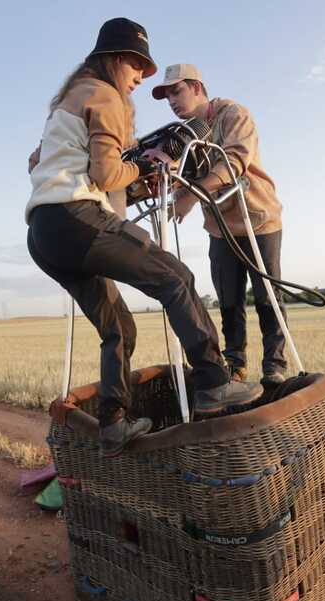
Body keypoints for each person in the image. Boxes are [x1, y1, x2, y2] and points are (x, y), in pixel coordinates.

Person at [26, 18, 263, 456]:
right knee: (175, 277)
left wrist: (123, 174)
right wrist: (147, 166)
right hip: (78, 219)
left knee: (118, 329)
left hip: (42, 233)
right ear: (116, 60)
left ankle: (113, 423)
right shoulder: (106, 96)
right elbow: (108, 173)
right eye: (138, 67)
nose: (139, 78)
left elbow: (37, 163)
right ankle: (213, 382)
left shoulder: (65, 102)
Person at [153, 64, 288, 385]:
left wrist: (191, 194)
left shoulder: (233, 114)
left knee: (268, 297)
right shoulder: (185, 132)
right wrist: (167, 177)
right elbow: (181, 172)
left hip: (258, 219)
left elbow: (236, 161)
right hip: (218, 227)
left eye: (176, 91)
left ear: (197, 87)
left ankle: (275, 365)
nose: (171, 101)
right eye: (166, 96)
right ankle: (236, 365)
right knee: (229, 301)